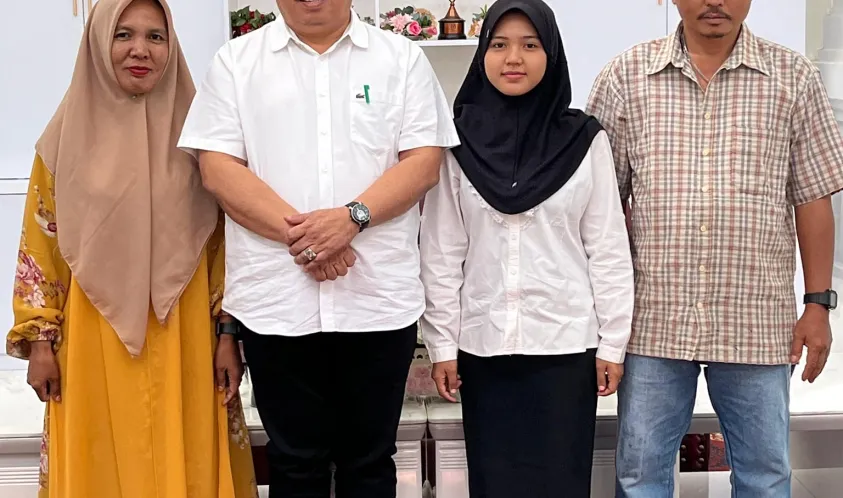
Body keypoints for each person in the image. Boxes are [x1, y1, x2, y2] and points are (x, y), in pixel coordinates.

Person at [176, 0, 459, 494]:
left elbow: (423, 162)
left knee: (370, 462)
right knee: (293, 462)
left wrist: (351, 219)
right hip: (277, 305)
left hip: (376, 302)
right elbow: (217, 170)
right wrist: (312, 240)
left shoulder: (401, 59)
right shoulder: (236, 62)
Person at [586, 0, 843, 496]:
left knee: (765, 477)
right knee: (640, 477)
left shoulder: (794, 77)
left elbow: (813, 198)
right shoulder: (625, 76)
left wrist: (817, 305)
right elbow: (602, 208)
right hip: (652, 320)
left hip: (755, 317)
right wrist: (602, 316)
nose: (715, 1)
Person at [5, 0, 258, 496]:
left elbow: (223, 245)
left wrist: (229, 333)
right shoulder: (59, 146)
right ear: (98, 43)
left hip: (186, 336)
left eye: (155, 37)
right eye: (123, 34)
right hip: (92, 339)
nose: (140, 50)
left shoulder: (202, 141)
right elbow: (41, 245)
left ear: (172, 47)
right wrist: (39, 342)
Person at [419, 0, 634, 496]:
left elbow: (607, 247)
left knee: (561, 481)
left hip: (565, 347)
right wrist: (442, 344)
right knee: (494, 482)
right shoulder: (457, 143)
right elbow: (442, 251)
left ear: (551, 53)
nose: (513, 58)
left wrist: (612, 344)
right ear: (483, 54)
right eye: (499, 44)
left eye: (530, 45)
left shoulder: (584, 140)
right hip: (484, 347)